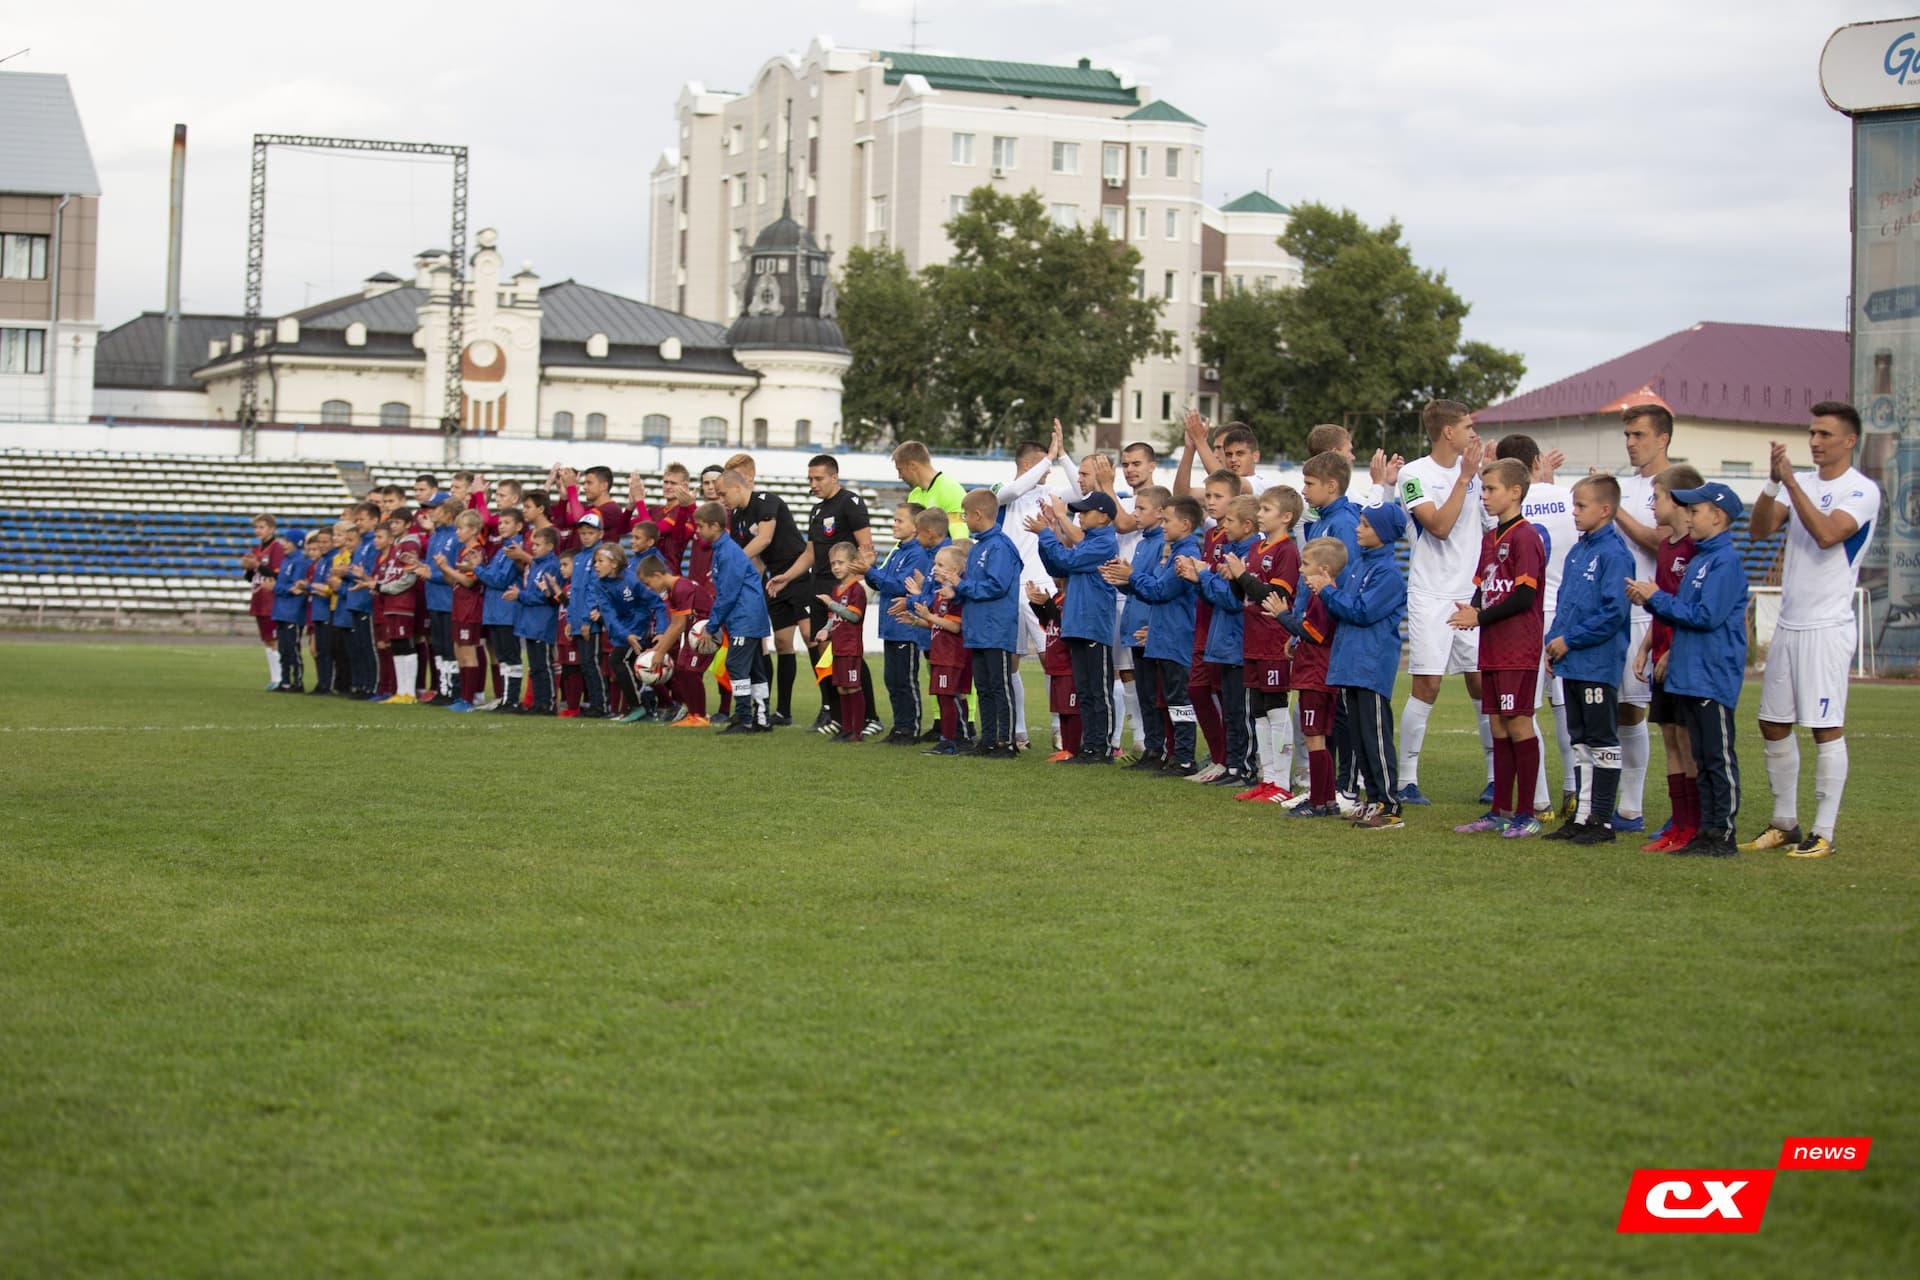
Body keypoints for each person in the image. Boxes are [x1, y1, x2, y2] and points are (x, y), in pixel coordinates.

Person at [1741, 402, 1881, 858]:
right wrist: (1772, 481)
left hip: (1827, 625)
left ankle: (1825, 831)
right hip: (1790, 621)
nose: (1815, 442)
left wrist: (1794, 482)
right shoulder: (1797, 484)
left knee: (1824, 727)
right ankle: (1785, 822)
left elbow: (1826, 534)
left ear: (1849, 440)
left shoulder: (1861, 491)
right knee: (1772, 722)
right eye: (1811, 433)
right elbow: (1760, 530)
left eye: (1824, 433)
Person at [1627, 483, 1750, 857]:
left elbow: (1705, 616)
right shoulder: (1700, 559)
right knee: (1700, 754)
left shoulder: (1725, 563)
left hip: (1712, 674)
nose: (1689, 517)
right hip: (1690, 672)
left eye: (1695, 511)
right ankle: (1704, 832)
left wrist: (1657, 597)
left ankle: (1722, 835)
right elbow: (1682, 614)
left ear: (1718, 515)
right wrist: (1650, 602)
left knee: (1717, 757)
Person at [1393, 400, 1493, 808]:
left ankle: (1494, 777)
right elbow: (1438, 526)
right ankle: (1406, 779)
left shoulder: (1479, 475)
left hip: (1469, 595)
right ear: (1447, 432)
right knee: (1428, 684)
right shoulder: (1413, 473)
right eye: (1467, 426)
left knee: (1481, 682)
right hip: (1430, 593)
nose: (1473, 433)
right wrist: (1465, 478)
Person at [1447, 459, 1548, 838]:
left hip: (1517, 647)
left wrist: (1480, 617)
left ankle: (1527, 812)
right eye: (1484, 489)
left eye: (1491, 489)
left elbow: (1525, 596)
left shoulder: (1526, 537)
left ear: (1515, 492)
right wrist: (1473, 609)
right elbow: (1483, 584)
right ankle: (1499, 810)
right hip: (1492, 647)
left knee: (1518, 723)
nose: (1485, 496)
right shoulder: (1492, 536)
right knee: (1497, 724)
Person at [1541, 475, 1636, 843]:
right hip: (1573, 661)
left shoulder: (1615, 553)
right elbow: (1567, 602)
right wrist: (1553, 643)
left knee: (1601, 738)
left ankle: (1602, 820)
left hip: (1597, 662)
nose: (1574, 512)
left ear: (1605, 509)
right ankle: (1581, 817)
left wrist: (1570, 640)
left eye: (1581, 506)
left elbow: (1613, 613)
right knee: (1579, 738)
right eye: (1574, 505)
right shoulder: (1580, 550)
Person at [769, 454, 879, 737]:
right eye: (810, 479)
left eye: (818, 478)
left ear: (834, 477)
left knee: (847, 652)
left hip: (842, 591)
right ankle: (834, 711)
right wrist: (788, 576)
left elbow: (866, 548)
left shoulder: (850, 503)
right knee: (821, 650)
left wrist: (855, 584)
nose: (813, 484)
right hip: (817, 588)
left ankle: (870, 716)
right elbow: (810, 553)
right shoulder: (817, 511)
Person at [1497, 434, 1577, 818]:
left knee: (1523, 713)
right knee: (1563, 706)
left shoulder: (1505, 504)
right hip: (1562, 613)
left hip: (1521, 618)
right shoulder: (1568, 500)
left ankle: (1539, 801)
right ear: (1538, 460)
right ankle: (1573, 788)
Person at [1319, 501, 1410, 830]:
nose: (1359, 529)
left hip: (1370, 665)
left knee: (1375, 738)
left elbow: (1362, 611)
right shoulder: (1361, 565)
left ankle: (1389, 804)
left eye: (1367, 525)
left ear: (1383, 533)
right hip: (1350, 663)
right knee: (1357, 737)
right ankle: (1372, 799)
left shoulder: (1388, 573)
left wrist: (1328, 591)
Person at [1610, 399, 1678, 832]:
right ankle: (1613, 804)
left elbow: (1662, 541)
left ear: (1663, 438)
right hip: (1615, 610)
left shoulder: (1677, 484)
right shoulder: (1625, 484)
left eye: (1639, 435)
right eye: (1627, 436)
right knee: (1616, 710)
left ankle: (1632, 807)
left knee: (1643, 711)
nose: (1631, 443)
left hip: (1651, 614)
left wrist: (1612, 507)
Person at [1631, 466, 1703, 850]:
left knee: (1688, 743)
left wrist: (1673, 652)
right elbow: (1661, 604)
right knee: (1671, 740)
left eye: (1656, 496)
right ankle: (1677, 826)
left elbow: (1692, 609)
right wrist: (1645, 646)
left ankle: (1692, 825)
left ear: (1677, 500)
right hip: (1659, 654)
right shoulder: (1665, 547)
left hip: (1682, 660)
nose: (1652, 504)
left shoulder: (1695, 548)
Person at [1107, 494, 1204, 777]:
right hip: (1165, 636)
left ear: (1185, 524)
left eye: (1168, 519)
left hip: (1176, 637)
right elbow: (1154, 588)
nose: (1163, 524)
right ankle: (1172, 755)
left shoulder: (1186, 555)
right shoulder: (1175, 550)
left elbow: (1161, 591)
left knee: (1178, 698)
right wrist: (1126, 579)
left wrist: (1131, 575)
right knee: (1168, 697)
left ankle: (1184, 758)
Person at [1222, 485, 1304, 802]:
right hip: (1252, 639)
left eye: (1266, 509)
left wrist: (1243, 576)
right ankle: (1267, 778)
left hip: (1273, 641)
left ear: (1286, 517)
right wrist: (1234, 580)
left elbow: (1275, 597)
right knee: (1258, 710)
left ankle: (1282, 783)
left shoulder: (1287, 551)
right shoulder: (1256, 549)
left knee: (1275, 707)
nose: (1259, 514)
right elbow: (1245, 597)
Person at [1033, 490, 1122, 764]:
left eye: (1085, 511)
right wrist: (1045, 534)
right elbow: (1056, 566)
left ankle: (1102, 747)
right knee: (1084, 688)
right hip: (1078, 623)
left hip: (1094, 623)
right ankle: (1090, 746)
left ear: (1104, 516)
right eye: (1079, 512)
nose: (1080, 516)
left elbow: (1067, 560)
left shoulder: (1104, 543)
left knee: (1099, 689)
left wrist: (1055, 524)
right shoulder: (1087, 543)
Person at [720, 465, 808, 725]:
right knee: (780, 643)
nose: (723, 500)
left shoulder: (765, 501)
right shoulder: (737, 516)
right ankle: (782, 711)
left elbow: (765, 539)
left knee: (810, 636)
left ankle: (829, 707)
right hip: (774, 580)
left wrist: (733, 561)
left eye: (725, 494)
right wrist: (749, 592)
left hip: (799, 572)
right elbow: (756, 560)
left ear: (737, 487)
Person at [1185, 493, 1259, 788]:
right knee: (1230, 710)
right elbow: (1216, 597)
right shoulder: (1230, 551)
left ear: (1248, 524)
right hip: (1225, 642)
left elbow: (1232, 601)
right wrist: (1200, 579)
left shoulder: (1249, 555)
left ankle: (1246, 768)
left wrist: (1205, 576)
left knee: (1241, 711)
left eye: (1229, 520)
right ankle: (1232, 765)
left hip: (1239, 642)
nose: (1223, 525)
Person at [944, 488, 1021, 757]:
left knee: (1000, 686)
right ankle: (988, 740)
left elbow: (996, 586)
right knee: (985, 687)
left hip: (996, 627)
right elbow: (972, 587)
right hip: (977, 628)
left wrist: (962, 585)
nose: (964, 520)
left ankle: (1006, 742)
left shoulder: (1000, 546)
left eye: (965, 515)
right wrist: (958, 590)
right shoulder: (979, 547)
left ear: (978, 514)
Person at [1273, 537, 1347, 817]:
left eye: (1306, 564)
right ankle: (1326, 800)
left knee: (1314, 737)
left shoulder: (1322, 598)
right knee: (1318, 738)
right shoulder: (1323, 595)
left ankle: (1318, 800)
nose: (1301, 570)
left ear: (1324, 568)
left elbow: (1314, 633)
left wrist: (1282, 616)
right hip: (1318, 673)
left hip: (1316, 675)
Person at [703, 501, 774, 734]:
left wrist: (712, 625)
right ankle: (762, 719)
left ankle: (743, 718)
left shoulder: (727, 552)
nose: (697, 530)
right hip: (748, 615)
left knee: (735, 663)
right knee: (754, 668)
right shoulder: (724, 549)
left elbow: (728, 593)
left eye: (701, 525)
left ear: (715, 526)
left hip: (745, 616)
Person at [865, 502, 933, 744]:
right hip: (892, 627)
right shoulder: (898, 551)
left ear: (916, 527)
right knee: (892, 680)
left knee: (905, 680)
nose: (894, 524)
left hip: (907, 628)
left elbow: (897, 585)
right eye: (894, 520)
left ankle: (910, 728)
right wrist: (869, 569)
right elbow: (882, 582)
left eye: (899, 520)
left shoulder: (917, 554)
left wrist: (871, 571)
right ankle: (899, 726)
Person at [1115, 485, 1170, 770]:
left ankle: (1161, 749)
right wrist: (1118, 577)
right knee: (1146, 692)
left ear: (1160, 512)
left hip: (1150, 627)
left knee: (1155, 693)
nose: (1135, 514)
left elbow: (1156, 586)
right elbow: (1137, 583)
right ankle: (1152, 748)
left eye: (1141, 509)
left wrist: (1131, 576)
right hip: (1136, 625)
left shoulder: (1162, 543)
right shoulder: (1144, 542)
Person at [592, 543, 668, 723]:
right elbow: (609, 615)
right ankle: (651, 708)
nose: (596, 565)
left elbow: (657, 603)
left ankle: (638, 707)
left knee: (617, 660)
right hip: (624, 632)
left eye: (600, 561)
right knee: (636, 668)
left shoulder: (632, 581)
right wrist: (625, 634)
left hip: (639, 629)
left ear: (614, 563)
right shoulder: (599, 585)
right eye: (595, 561)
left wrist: (662, 630)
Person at [637, 553, 714, 727]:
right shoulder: (672, 591)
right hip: (693, 633)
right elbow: (674, 624)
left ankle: (700, 716)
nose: (648, 588)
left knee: (690, 671)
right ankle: (694, 714)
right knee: (680, 670)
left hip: (706, 633)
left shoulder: (681, 588)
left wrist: (660, 653)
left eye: (648, 584)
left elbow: (679, 626)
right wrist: (658, 650)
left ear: (657, 575)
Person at [915, 545, 972, 755]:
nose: (934, 568)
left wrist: (928, 616)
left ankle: (956, 739)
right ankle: (951, 738)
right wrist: (916, 621)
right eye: (935, 563)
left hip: (952, 654)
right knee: (943, 696)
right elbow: (939, 623)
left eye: (940, 565)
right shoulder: (940, 593)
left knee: (950, 696)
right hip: (940, 653)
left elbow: (955, 626)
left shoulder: (955, 595)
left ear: (955, 570)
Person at [433, 510, 489, 712]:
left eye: (461, 528)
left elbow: (469, 580)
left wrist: (448, 568)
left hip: (470, 607)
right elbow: (453, 580)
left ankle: (468, 699)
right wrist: (443, 568)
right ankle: (462, 697)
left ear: (473, 530)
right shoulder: (462, 552)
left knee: (468, 652)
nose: (457, 531)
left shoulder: (477, 552)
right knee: (458, 651)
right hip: (458, 605)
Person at [474, 507, 528, 714]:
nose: (501, 526)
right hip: (495, 610)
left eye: (507, 522)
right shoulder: (502, 548)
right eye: (501, 522)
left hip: (507, 611)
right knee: (503, 657)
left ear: (519, 526)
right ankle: (506, 698)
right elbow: (493, 575)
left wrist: (478, 569)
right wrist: (482, 569)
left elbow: (500, 579)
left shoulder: (515, 549)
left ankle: (512, 699)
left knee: (511, 655)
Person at [815, 543, 871, 744]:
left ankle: (857, 731)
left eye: (841, 562)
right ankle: (846, 729)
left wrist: (830, 603)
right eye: (833, 563)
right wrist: (825, 630)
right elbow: (834, 617)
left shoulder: (856, 590)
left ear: (854, 563)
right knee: (841, 688)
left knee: (853, 687)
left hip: (850, 647)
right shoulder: (836, 590)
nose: (836, 567)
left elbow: (853, 617)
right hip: (837, 647)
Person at [511, 527, 565, 716]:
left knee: (544, 665)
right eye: (532, 544)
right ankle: (538, 703)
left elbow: (544, 597)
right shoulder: (536, 565)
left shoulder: (551, 566)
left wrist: (520, 595)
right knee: (535, 666)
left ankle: (549, 703)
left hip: (543, 622)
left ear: (550, 546)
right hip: (531, 622)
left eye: (537, 544)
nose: (533, 548)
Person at [563, 510, 610, 719]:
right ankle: (593, 703)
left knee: (592, 663)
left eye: (590, 532)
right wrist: (570, 619)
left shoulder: (599, 556)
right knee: (585, 664)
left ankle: (602, 704)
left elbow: (594, 589)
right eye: (583, 533)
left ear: (600, 534)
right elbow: (575, 591)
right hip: (578, 618)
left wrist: (585, 620)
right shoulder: (580, 557)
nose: (586, 536)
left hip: (590, 621)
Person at [1027, 581, 1079, 758]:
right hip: (1056, 663)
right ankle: (1065, 748)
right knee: (1061, 709)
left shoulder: (1072, 598)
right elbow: (1047, 622)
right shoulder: (1057, 597)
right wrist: (1036, 603)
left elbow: (1064, 623)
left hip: (1068, 664)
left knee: (1071, 710)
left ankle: (1073, 749)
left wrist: (1047, 603)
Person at [893, 440, 971, 540]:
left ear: (913, 466)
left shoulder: (950, 490)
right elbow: (905, 540)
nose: (899, 476)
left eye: (900, 470)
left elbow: (960, 541)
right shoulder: (914, 495)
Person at [242, 514, 286, 689]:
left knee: (274, 639)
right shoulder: (256, 548)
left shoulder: (277, 548)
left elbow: (276, 574)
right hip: (259, 598)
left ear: (271, 528)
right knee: (267, 639)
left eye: (261, 527)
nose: (257, 531)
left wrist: (257, 566)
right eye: (256, 527)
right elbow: (250, 577)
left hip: (271, 600)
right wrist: (247, 568)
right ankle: (274, 677)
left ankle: (281, 677)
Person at [269, 527, 310, 692]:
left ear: (297, 543)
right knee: (283, 649)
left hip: (292, 611)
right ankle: (285, 680)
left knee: (293, 648)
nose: (283, 544)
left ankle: (297, 682)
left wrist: (276, 587)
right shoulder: (287, 560)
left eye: (287, 541)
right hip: (281, 610)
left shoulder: (300, 561)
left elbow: (294, 587)